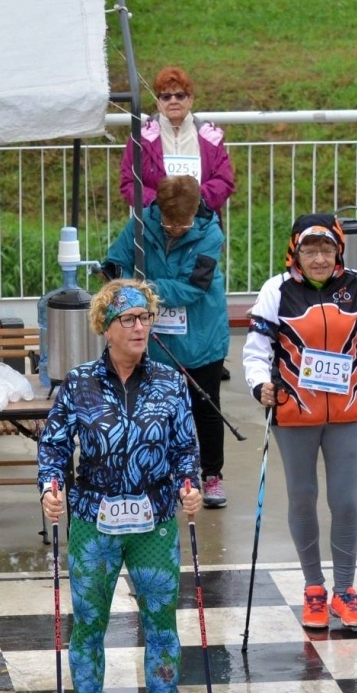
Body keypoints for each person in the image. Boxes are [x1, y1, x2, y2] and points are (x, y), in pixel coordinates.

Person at [37, 279, 202, 693]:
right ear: (105, 328)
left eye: (144, 318)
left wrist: (190, 486)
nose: (139, 327)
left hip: (154, 521)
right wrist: (50, 487)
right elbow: (53, 448)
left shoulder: (171, 382)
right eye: (127, 319)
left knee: (162, 629)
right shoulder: (79, 383)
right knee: (88, 627)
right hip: (94, 520)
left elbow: (185, 450)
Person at [242, 214, 357, 632]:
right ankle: (314, 588)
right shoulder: (276, 290)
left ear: (339, 250)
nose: (319, 259)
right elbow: (257, 349)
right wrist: (259, 386)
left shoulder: (356, 286)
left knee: (345, 501)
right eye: (310, 250)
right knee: (302, 498)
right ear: (295, 253)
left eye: (327, 249)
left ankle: (344, 591)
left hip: (347, 411)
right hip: (293, 413)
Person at [101, 174, 230, 507]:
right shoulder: (141, 224)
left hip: (201, 331)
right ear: (158, 209)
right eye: (169, 222)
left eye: (182, 224)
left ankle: (212, 475)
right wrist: (117, 279)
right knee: (154, 408)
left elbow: (194, 286)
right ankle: (158, 473)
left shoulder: (210, 233)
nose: (174, 229)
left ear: (195, 211)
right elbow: (116, 261)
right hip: (154, 336)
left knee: (206, 406)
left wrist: (145, 290)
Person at [118, 66, 235, 218]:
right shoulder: (140, 140)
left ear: (190, 100)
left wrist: (193, 199)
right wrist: (160, 202)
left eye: (180, 96)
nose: (173, 101)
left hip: (201, 223)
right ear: (158, 102)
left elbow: (224, 182)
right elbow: (129, 183)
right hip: (155, 222)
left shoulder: (211, 138)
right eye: (166, 97)